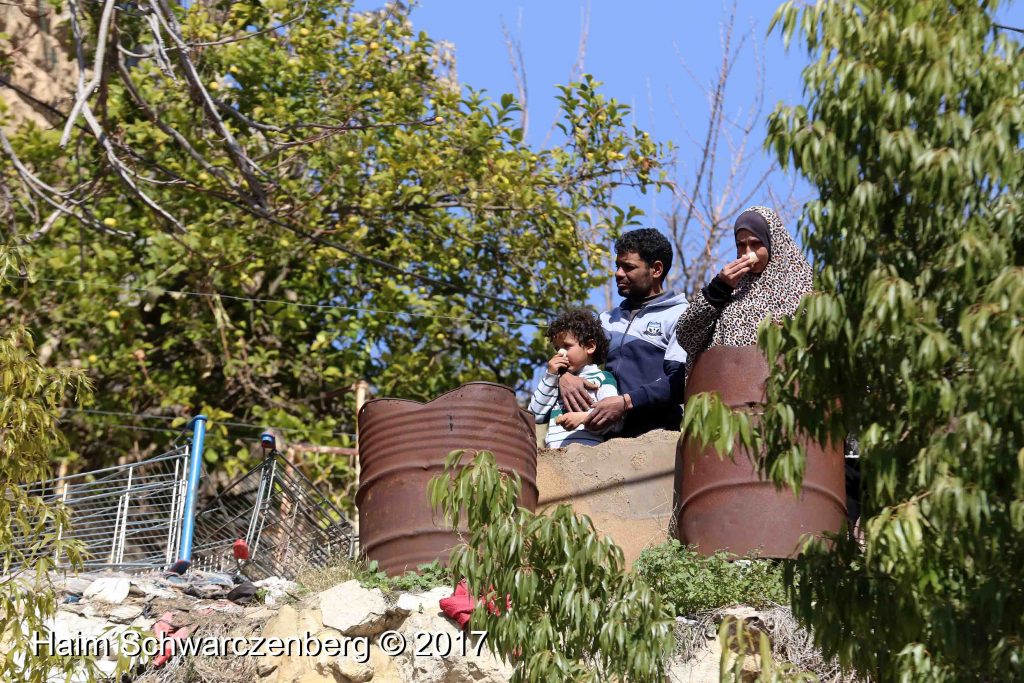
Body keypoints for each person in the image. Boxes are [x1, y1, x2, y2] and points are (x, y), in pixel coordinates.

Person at [559, 228, 689, 437]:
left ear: (656, 269)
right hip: (604, 440)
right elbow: (569, 355)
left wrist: (625, 402)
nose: (618, 273)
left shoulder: (681, 315)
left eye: (628, 267)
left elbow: (681, 381)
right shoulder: (606, 320)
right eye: (617, 265)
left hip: (656, 437)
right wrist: (564, 377)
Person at [674, 206, 813, 373]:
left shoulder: (802, 288)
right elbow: (685, 335)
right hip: (725, 393)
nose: (747, 253)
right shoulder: (730, 288)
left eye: (756, 244)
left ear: (772, 242)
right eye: (741, 245)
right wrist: (718, 289)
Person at [529, 308, 621, 448]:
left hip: (588, 457)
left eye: (567, 346)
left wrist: (583, 418)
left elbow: (614, 419)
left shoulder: (603, 378)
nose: (561, 353)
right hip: (554, 458)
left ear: (590, 347)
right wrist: (550, 376)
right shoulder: (555, 381)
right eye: (557, 348)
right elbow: (534, 414)